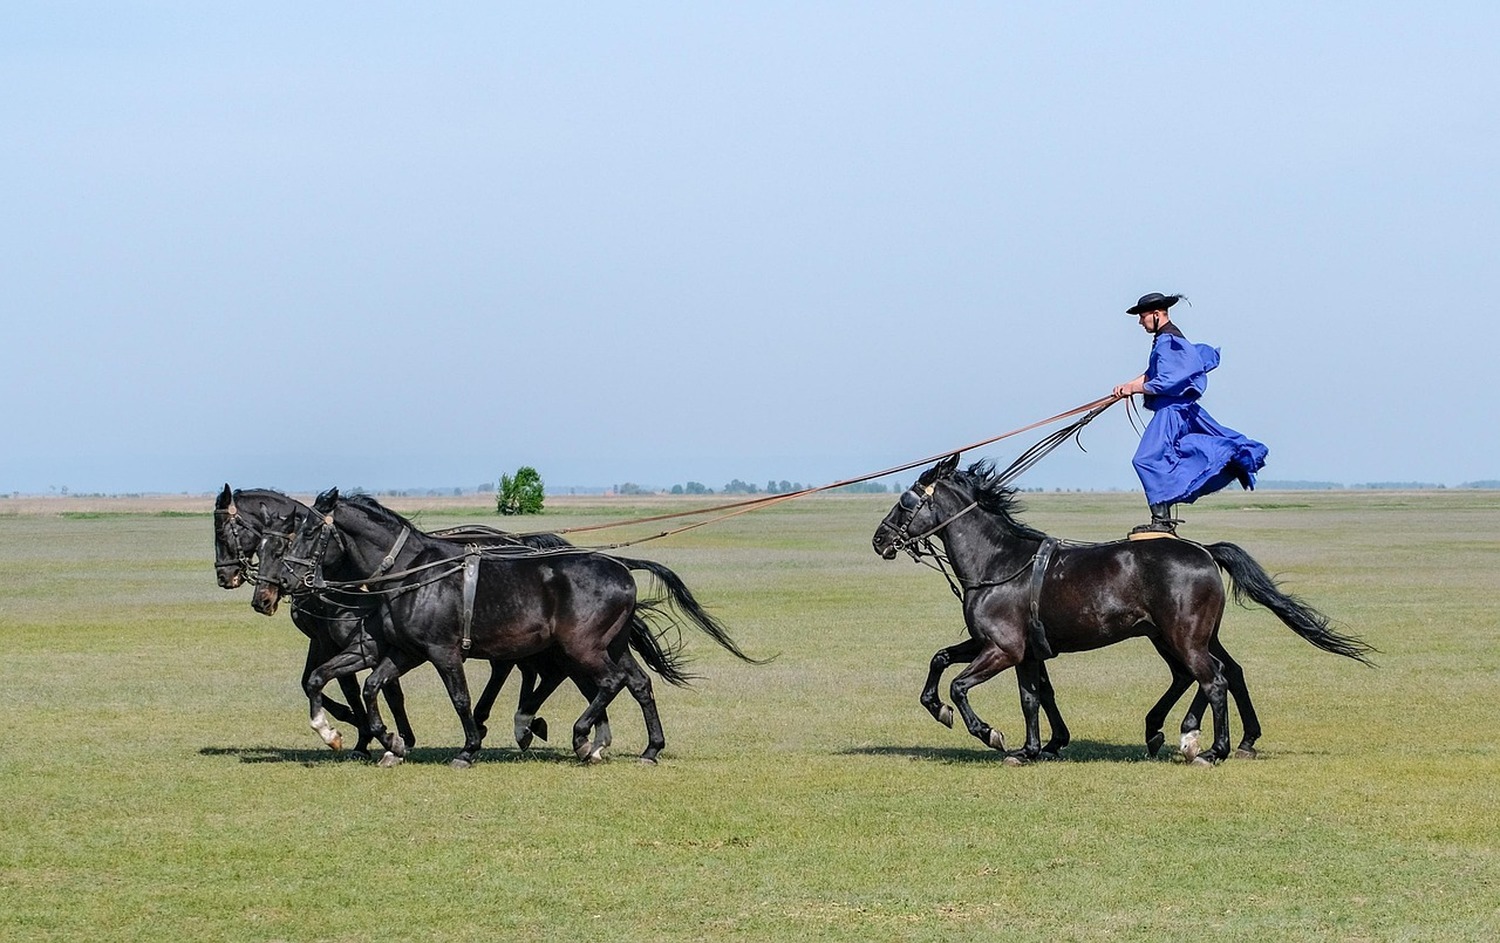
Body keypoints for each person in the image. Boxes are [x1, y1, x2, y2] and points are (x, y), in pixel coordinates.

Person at [1111, 292, 1268, 535]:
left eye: (1142, 317)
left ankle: (1161, 519)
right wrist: (1127, 386)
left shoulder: (1168, 343)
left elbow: (1167, 380)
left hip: (1171, 412)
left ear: (1156, 314)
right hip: (1176, 410)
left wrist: (1135, 388)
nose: (1140, 322)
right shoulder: (1166, 340)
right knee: (1167, 455)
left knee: (1146, 459)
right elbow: (1153, 374)